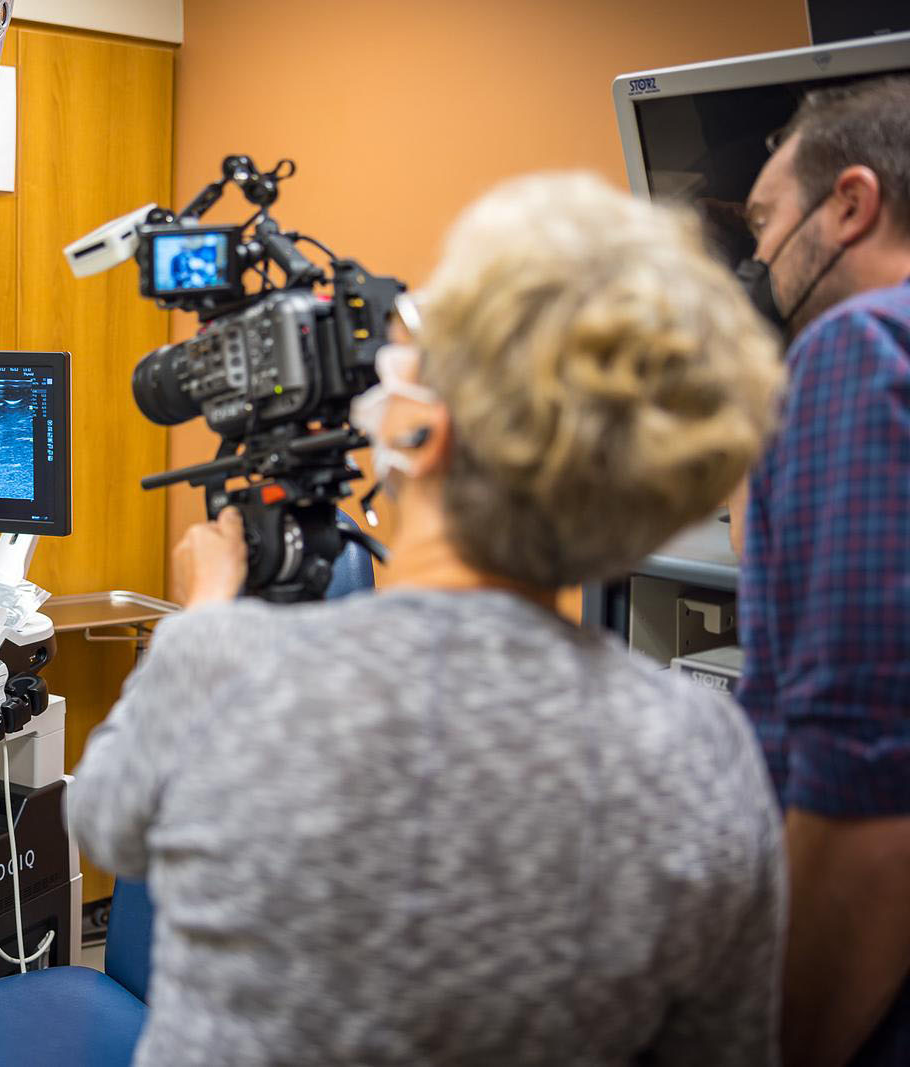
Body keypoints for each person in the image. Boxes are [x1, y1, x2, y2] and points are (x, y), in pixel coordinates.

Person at [69, 173, 787, 1065]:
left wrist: (203, 614)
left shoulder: (227, 665)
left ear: (427, 434)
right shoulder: (706, 754)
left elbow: (100, 826)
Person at [733, 76, 910, 1067]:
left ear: (848, 203)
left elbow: (868, 771)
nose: (755, 253)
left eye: (764, 219)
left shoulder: (861, 347)